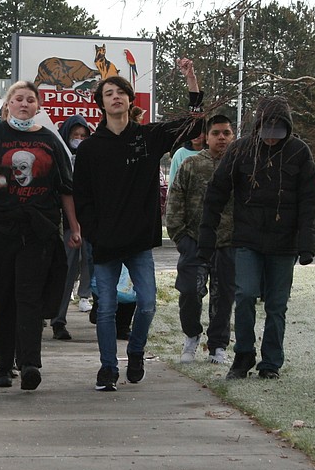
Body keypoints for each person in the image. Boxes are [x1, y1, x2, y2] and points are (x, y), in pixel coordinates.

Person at [73, 58, 202, 392]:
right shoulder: (89, 148)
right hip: (104, 242)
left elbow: (193, 126)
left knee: (147, 303)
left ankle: (135, 351)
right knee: (106, 310)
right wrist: (91, 231)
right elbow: (81, 196)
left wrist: (191, 79)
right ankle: (107, 369)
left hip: (139, 241)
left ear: (131, 101)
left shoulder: (148, 138)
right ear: (100, 103)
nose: (115, 97)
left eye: (121, 93)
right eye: (109, 93)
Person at [0, 80, 81, 390]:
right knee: (4, 297)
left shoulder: (49, 140)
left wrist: (74, 226)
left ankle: (29, 364)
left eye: (30, 100)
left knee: (30, 297)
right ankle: (2, 365)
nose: (24, 104)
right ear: (8, 104)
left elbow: (66, 189)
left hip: (37, 231)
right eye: (18, 99)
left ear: (38, 107)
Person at [198, 96, 315, 381]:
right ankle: (243, 355)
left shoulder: (299, 153)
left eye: (278, 134)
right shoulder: (240, 150)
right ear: (258, 127)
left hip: (284, 244)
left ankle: (271, 363)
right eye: (267, 133)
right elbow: (216, 193)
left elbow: (308, 201)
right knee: (246, 295)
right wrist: (206, 235)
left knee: (277, 305)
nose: (272, 140)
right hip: (247, 239)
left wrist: (306, 244)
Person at [165, 114, 235, 364]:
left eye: (226, 133)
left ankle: (218, 346)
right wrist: (181, 237)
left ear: (233, 135)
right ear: (207, 136)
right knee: (190, 293)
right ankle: (192, 336)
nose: (222, 138)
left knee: (223, 296)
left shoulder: (239, 166)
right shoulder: (192, 164)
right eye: (216, 133)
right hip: (194, 241)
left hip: (228, 243)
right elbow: (174, 202)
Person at [50, 114, 94, 340]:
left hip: (90, 224)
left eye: (83, 136)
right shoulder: (58, 157)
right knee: (66, 272)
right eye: (75, 135)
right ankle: (58, 319)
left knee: (93, 267)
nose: (79, 139)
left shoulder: (94, 157)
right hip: (66, 224)